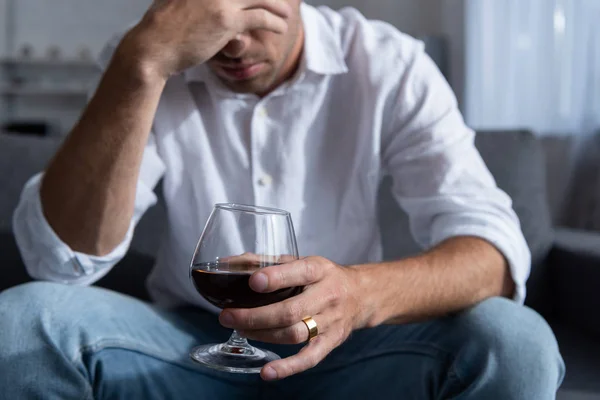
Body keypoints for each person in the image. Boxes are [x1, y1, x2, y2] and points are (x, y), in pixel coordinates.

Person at [0, 0, 564, 398]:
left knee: (518, 343)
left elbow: (494, 253)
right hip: (184, 348)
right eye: (210, 14)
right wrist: (140, 65)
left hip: (350, 348)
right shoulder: (150, 61)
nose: (233, 43)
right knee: (21, 324)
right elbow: (58, 263)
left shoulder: (387, 63)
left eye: (257, 12)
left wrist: (360, 295)